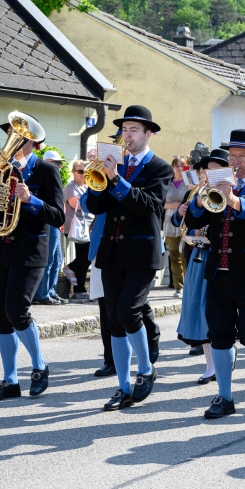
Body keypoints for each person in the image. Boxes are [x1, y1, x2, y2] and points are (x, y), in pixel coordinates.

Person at [182, 129, 245, 420]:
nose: (235, 160)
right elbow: (191, 220)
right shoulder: (216, 183)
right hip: (218, 272)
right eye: (232, 155)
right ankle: (225, 396)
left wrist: (235, 200)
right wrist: (200, 200)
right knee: (220, 337)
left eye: (241, 156)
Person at [0, 114, 64, 401]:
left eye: (17, 135)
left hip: (30, 251)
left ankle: (39, 367)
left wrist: (31, 200)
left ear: (31, 142)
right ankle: (10, 381)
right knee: (2, 318)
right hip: (1, 249)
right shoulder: (0, 169)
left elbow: (58, 215)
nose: (11, 139)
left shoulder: (46, 171)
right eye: (10, 133)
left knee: (17, 310)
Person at [86, 105, 172, 411]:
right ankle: (122, 387)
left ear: (149, 134)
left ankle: (146, 369)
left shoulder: (160, 168)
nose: (128, 135)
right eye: (125, 130)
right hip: (111, 251)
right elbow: (95, 206)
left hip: (142, 253)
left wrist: (117, 180)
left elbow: (148, 204)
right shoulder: (113, 164)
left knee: (128, 312)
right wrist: (97, 176)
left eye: (134, 130)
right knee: (114, 322)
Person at [172, 150, 222, 383]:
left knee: (215, 312)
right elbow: (177, 221)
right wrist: (181, 212)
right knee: (198, 310)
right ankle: (210, 365)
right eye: (204, 170)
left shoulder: (224, 192)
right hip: (196, 255)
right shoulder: (194, 192)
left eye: (211, 170)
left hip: (216, 256)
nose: (205, 174)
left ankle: (223, 360)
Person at [32, 150, 68, 306]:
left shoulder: (52, 175)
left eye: (60, 164)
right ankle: (42, 293)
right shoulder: (44, 176)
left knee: (57, 259)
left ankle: (50, 291)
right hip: (48, 223)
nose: (60, 167)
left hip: (54, 223)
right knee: (49, 259)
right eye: (57, 164)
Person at [62, 158, 93, 300]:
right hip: (75, 225)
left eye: (85, 171)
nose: (83, 174)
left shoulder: (87, 186)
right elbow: (75, 204)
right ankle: (71, 268)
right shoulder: (71, 186)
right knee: (86, 253)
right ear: (74, 172)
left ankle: (79, 289)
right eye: (80, 171)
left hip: (86, 225)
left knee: (85, 256)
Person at [163, 157, 189, 299]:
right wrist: (173, 205)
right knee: (174, 257)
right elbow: (159, 203)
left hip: (185, 222)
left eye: (182, 166)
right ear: (172, 167)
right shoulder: (167, 182)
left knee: (185, 256)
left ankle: (188, 286)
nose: (179, 168)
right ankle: (179, 287)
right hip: (169, 222)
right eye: (176, 166)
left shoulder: (189, 182)